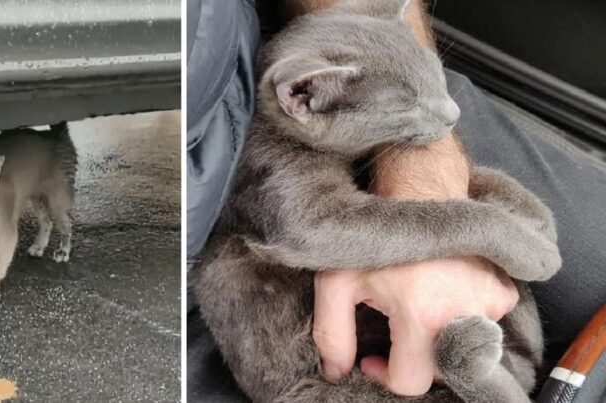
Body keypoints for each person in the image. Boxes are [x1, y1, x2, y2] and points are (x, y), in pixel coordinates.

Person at [187, 0, 606, 400]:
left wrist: (433, 184)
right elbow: (314, 226)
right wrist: (478, 227)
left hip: (346, 64)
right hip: (306, 353)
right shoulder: (285, 142)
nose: (450, 117)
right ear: (303, 98)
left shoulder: (372, 91)